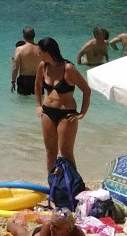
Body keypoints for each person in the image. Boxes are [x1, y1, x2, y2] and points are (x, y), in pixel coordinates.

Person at [34, 37, 90, 178]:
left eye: (40, 52)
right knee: (50, 152)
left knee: (65, 152)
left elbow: (86, 90)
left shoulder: (68, 68)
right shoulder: (43, 66)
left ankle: (74, 186)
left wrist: (82, 113)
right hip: (47, 112)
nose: (38, 54)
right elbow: (38, 86)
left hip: (67, 114)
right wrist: (38, 105)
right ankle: (52, 185)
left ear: (47, 52)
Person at [11, 27, 42, 95]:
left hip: (24, 79)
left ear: (23, 36)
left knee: (22, 102)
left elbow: (15, 67)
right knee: (39, 101)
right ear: (34, 36)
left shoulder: (20, 49)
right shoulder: (41, 49)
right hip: (38, 79)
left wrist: (13, 82)